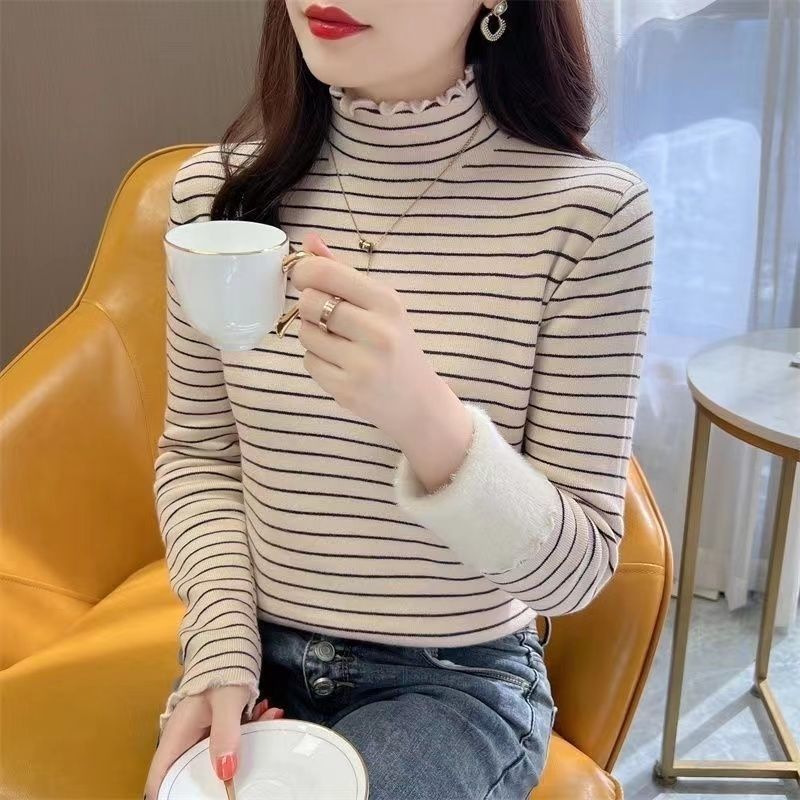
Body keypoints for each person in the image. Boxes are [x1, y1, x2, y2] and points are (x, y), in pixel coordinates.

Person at [144, 0, 655, 797]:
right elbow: (198, 458)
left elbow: (577, 572)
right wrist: (217, 650)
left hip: (455, 683)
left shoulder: (591, 218)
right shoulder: (217, 199)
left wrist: (427, 418)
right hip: (254, 654)